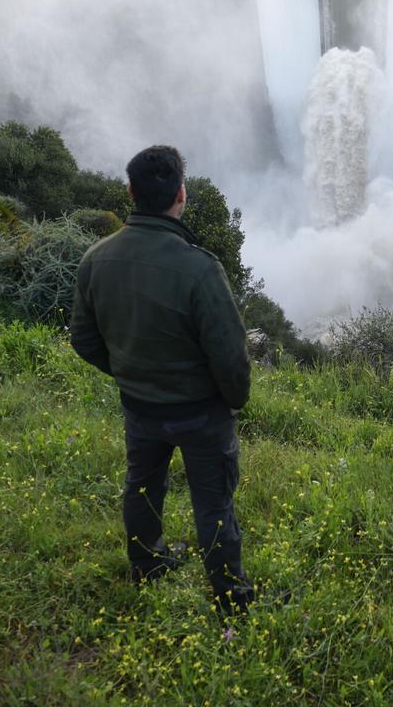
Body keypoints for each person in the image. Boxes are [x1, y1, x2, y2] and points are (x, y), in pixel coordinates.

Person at [70, 145, 256, 615]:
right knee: (213, 504)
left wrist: (129, 371)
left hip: (140, 406)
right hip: (201, 412)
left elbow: (83, 340)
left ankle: (146, 565)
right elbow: (230, 355)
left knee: (142, 485)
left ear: (130, 192)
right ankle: (231, 598)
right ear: (181, 195)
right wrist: (233, 399)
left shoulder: (96, 259)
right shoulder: (200, 269)